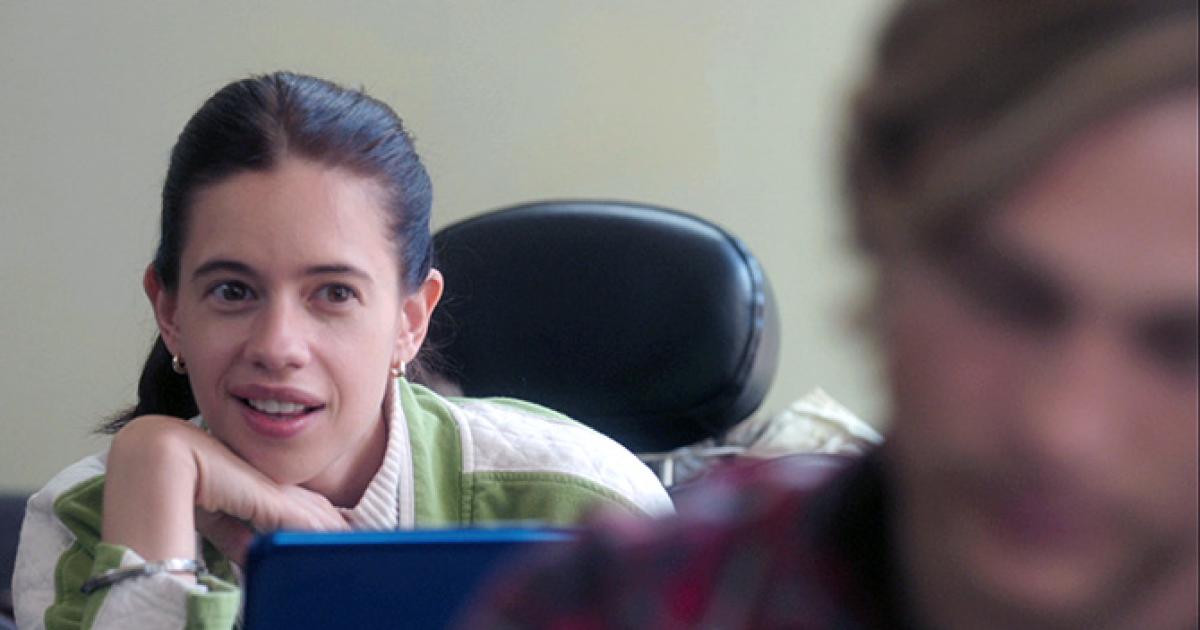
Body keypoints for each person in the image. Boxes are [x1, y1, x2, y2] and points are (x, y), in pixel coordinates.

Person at [468, 0, 1199, 628]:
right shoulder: (623, 604)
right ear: (878, 230)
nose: (1063, 431)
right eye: (1006, 303)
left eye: (1184, 348)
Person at [13, 72, 672, 630]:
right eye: (233, 290)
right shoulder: (89, 518)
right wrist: (154, 474)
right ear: (170, 312)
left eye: (333, 293)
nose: (278, 347)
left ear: (410, 320)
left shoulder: (590, 512)